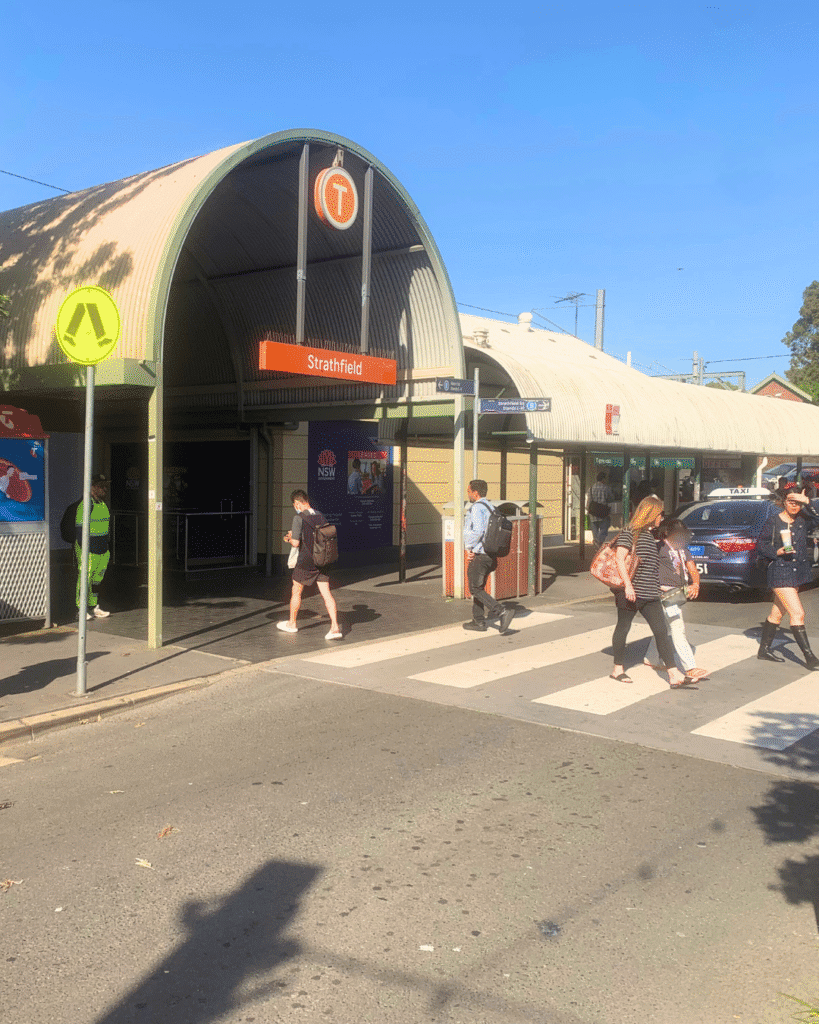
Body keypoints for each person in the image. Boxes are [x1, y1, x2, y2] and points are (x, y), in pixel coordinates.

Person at [610, 495, 694, 688]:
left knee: (661, 631)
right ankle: (617, 670)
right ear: (650, 514)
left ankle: (674, 674)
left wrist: (661, 587)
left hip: (650, 593)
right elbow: (620, 559)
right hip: (630, 593)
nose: (661, 518)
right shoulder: (630, 533)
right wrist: (628, 586)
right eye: (659, 514)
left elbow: (650, 568)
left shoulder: (649, 536)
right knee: (623, 627)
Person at [756, 488, 819, 669]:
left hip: (796, 572)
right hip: (779, 571)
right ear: (784, 501)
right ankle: (809, 657)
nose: (794, 506)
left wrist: (807, 502)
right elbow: (761, 545)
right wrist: (776, 551)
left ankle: (764, 650)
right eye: (791, 501)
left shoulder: (802, 520)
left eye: (798, 503)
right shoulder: (773, 521)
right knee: (798, 613)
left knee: (777, 613)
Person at [643, 518, 707, 680]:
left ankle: (651, 657)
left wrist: (696, 584)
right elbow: (646, 568)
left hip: (677, 593)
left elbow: (692, 568)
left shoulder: (683, 550)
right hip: (664, 593)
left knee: (664, 627)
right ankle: (690, 667)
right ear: (667, 533)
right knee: (677, 627)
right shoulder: (659, 548)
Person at [278, 489, 342, 640]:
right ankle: (335, 627)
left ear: (297, 503)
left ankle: (292, 624)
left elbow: (296, 543)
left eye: (294, 505)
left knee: (296, 590)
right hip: (321, 560)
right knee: (326, 593)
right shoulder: (320, 515)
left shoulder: (298, 518)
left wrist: (289, 538)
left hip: (306, 561)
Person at [462, 480, 516, 634]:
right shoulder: (492, 507)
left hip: (481, 555)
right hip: (491, 555)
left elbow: (478, 531)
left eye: (469, 491)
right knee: (478, 588)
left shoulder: (477, 508)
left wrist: (468, 547)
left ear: (475, 493)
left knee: (475, 588)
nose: (468, 494)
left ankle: (502, 612)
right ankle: (478, 621)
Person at [75, 473, 111, 620]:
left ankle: (93, 606)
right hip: (89, 549)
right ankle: (80, 610)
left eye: (105, 486)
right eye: (101, 486)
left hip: (102, 549)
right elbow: (79, 529)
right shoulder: (86, 504)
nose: (104, 489)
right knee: (85, 579)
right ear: (92, 487)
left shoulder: (102, 504)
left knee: (96, 581)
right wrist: (85, 549)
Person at [587, 471, 615, 548]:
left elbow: (588, 501)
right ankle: (599, 541)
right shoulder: (606, 488)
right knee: (604, 528)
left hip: (593, 512)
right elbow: (611, 499)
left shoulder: (591, 488)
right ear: (603, 479)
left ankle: (596, 543)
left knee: (594, 530)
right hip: (602, 512)